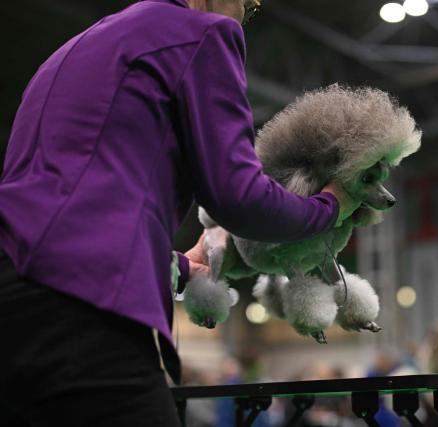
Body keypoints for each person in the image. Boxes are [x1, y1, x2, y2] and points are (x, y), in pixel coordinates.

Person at [0, 0, 356, 425]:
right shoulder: (202, 32)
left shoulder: (68, 53)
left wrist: (177, 267)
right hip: (82, 309)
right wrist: (328, 208)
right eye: (248, 3)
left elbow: (61, 204)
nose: (244, 15)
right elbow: (238, 196)